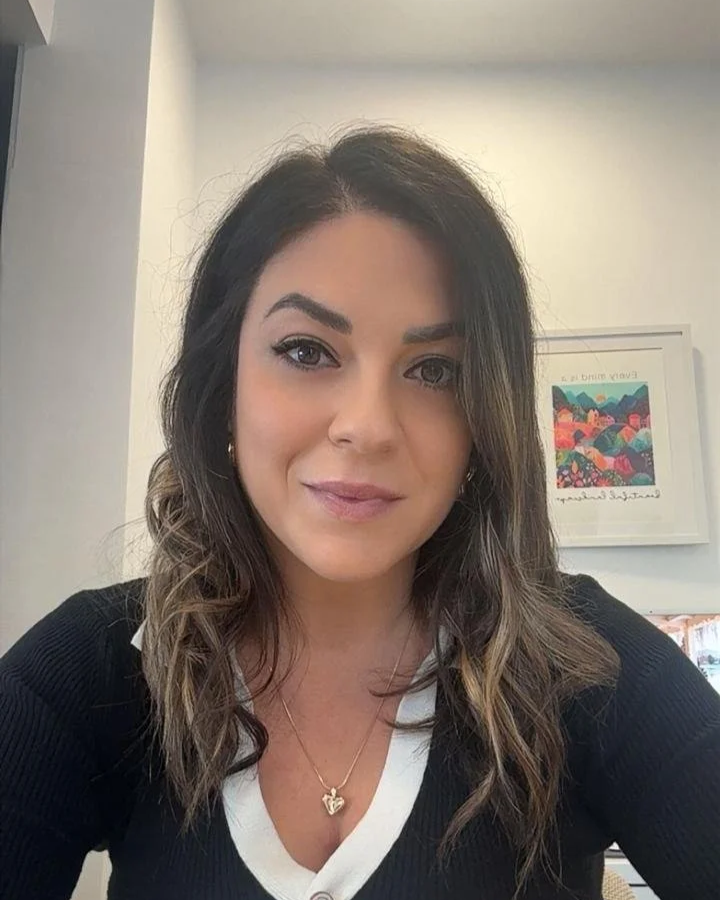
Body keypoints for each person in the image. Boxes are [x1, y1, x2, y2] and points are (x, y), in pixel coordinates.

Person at [1, 126, 718, 900]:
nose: (369, 425)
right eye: (307, 351)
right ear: (222, 388)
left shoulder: (583, 664)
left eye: (435, 369)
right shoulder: (95, 670)